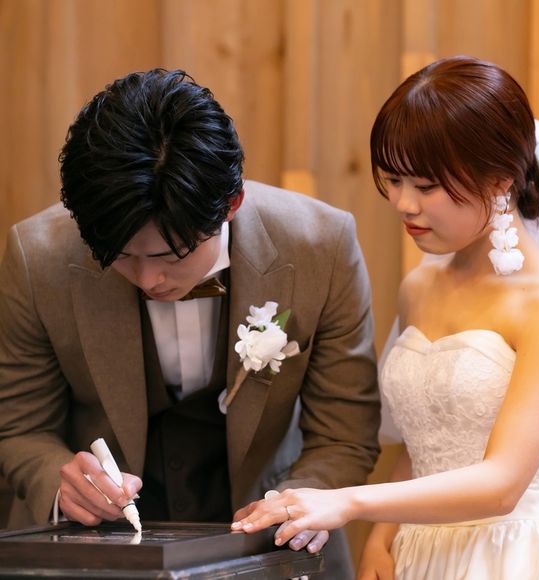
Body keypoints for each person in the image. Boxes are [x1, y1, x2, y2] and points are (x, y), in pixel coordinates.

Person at [0, 69, 381, 578]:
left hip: (272, 548)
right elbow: (21, 426)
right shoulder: (37, 257)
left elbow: (345, 434)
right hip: (94, 557)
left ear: (231, 204)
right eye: (120, 256)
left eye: (170, 255)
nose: (148, 279)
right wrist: (60, 482)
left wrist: (293, 503)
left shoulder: (320, 247)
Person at [231, 56, 539, 579]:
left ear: (499, 178)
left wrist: (349, 502)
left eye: (425, 185)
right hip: (417, 553)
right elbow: (427, 441)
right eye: (392, 180)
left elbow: (503, 484)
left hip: (511, 555)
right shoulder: (420, 288)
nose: (402, 203)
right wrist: (383, 536)